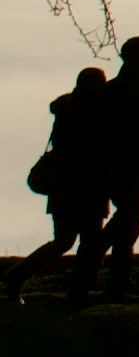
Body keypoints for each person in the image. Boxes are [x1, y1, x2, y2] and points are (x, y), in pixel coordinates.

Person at [10, 65, 112, 306]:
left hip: (67, 190)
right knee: (81, 241)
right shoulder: (90, 112)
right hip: (84, 187)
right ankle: (77, 290)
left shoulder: (67, 110)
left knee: (67, 241)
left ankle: (19, 276)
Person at [89, 37, 139, 300]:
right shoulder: (125, 92)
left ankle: (113, 276)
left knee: (128, 225)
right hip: (126, 170)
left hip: (136, 170)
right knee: (127, 224)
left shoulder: (128, 90)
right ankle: (103, 269)